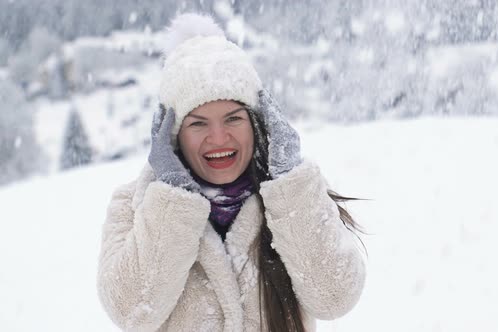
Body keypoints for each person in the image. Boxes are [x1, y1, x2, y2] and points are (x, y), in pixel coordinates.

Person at [97, 13, 366, 332]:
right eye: (197, 123)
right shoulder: (133, 206)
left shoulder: (296, 196)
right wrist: (174, 201)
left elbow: (335, 298)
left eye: (233, 118)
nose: (219, 138)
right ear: (173, 136)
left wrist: (288, 180)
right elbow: (131, 312)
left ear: (257, 123)